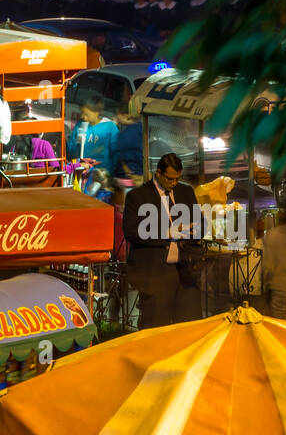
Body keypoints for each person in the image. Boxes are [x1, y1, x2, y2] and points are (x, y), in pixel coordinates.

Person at [122, 152, 205, 328]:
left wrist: (192, 230)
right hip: (156, 273)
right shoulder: (137, 196)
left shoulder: (186, 191)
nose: (173, 183)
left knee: (190, 328)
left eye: (177, 179)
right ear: (158, 173)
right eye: (169, 179)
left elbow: (202, 226)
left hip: (186, 272)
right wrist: (167, 232)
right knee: (155, 328)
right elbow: (131, 232)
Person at [66, 95, 120, 174]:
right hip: (83, 171)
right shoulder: (80, 125)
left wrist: (114, 171)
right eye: (82, 113)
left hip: (103, 172)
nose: (82, 116)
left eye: (86, 114)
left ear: (97, 112)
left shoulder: (109, 127)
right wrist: (77, 145)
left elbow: (116, 151)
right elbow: (71, 149)